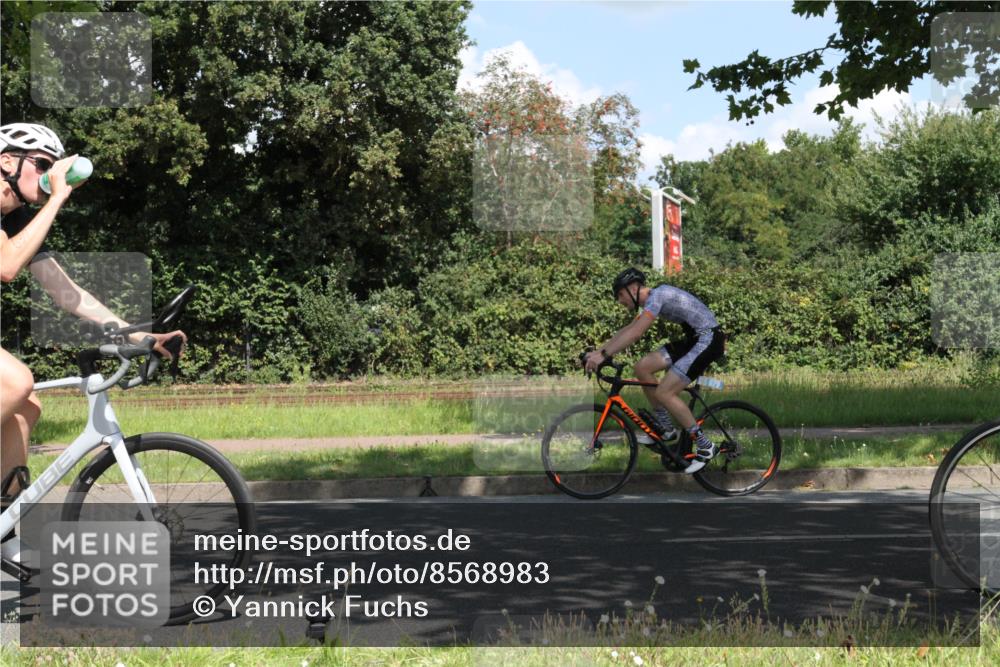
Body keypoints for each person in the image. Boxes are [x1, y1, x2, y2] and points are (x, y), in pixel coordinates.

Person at [0, 123, 185, 561]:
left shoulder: (16, 220)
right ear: (6, 161)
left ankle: (3, 534)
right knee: (16, 382)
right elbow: (6, 267)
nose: (50, 175)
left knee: (25, 410)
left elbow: (66, 293)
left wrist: (138, 334)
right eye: (42, 164)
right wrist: (57, 198)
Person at [584, 267, 726, 474]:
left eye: (621, 294)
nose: (619, 300)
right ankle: (666, 428)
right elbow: (627, 330)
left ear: (634, 288)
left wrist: (604, 355)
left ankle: (705, 446)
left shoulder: (659, 295)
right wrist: (598, 352)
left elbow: (636, 333)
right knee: (642, 367)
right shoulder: (652, 300)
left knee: (665, 392)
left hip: (708, 340)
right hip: (694, 340)